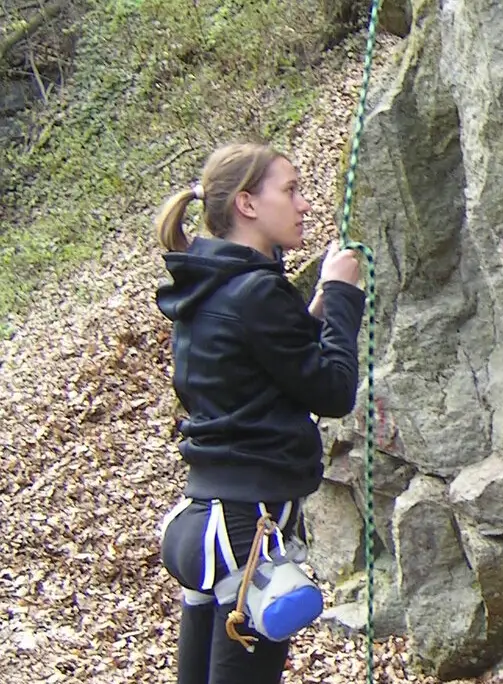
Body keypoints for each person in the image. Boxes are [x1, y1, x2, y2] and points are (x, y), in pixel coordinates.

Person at [152, 142, 366, 683]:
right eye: (290, 190)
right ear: (247, 204)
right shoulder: (255, 293)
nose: (304, 204)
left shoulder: (205, 288)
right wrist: (342, 296)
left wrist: (312, 311)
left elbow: (260, 366)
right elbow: (334, 391)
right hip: (249, 530)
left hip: (205, 517)